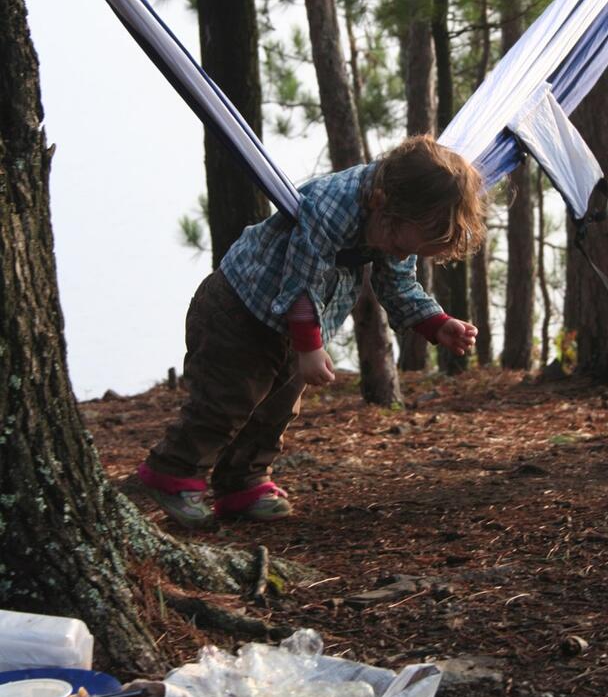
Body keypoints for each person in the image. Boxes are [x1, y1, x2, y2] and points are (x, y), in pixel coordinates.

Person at [138, 134, 486, 529]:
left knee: (276, 409)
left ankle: (242, 483)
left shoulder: (394, 224)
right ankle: (173, 471)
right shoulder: (331, 206)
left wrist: (436, 323)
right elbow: (303, 280)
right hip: (239, 310)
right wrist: (309, 346)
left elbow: (398, 282)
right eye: (400, 244)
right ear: (384, 207)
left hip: (289, 328)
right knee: (227, 399)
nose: (401, 255)